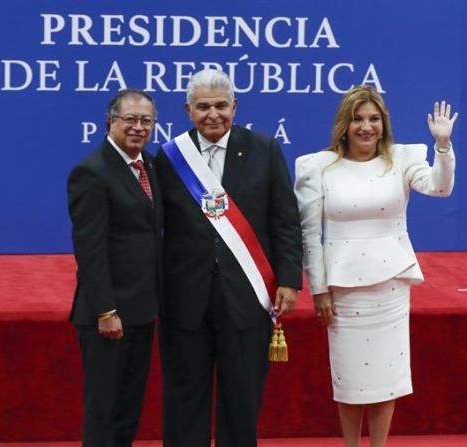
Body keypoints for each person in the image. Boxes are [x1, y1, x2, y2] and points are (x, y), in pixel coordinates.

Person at [294, 85, 458, 447]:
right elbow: (309, 235)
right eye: (357, 119)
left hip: (391, 285)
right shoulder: (317, 166)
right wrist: (318, 289)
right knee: (351, 380)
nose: (366, 127)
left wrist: (442, 148)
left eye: (373, 119)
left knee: (386, 379)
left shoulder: (403, 158)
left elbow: (440, 188)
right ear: (344, 124)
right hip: (343, 290)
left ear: (384, 124)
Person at [155, 68, 303, 447]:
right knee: (185, 397)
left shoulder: (264, 149)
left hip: (246, 296)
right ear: (188, 110)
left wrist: (288, 278)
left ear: (235, 107)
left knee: (241, 399)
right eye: (203, 107)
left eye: (221, 105)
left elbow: (285, 220)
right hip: (186, 296)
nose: (213, 114)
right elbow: (157, 228)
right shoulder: (170, 158)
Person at [66, 88, 163, 447]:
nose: (138, 127)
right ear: (111, 122)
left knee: (128, 407)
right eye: (130, 119)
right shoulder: (91, 172)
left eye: (146, 121)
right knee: (104, 409)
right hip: (108, 315)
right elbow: (90, 250)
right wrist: (106, 310)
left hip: (142, 309)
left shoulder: (149, 166)